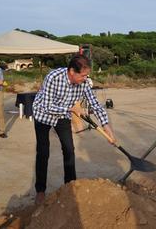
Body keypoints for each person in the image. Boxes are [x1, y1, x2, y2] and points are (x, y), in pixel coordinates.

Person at [32, 54, 117, 205]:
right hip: (43, 114)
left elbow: (95, 105)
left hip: (64, 115)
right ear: (72, 71)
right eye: (83, 75)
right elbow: (47, 106)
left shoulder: (84, 83)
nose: (85, 78)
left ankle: (70, 186)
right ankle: (40, 190)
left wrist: (106, 127)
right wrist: (71, 108)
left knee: (69, 150)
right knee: (43, 152)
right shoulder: (53, 77)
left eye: (87, 75)